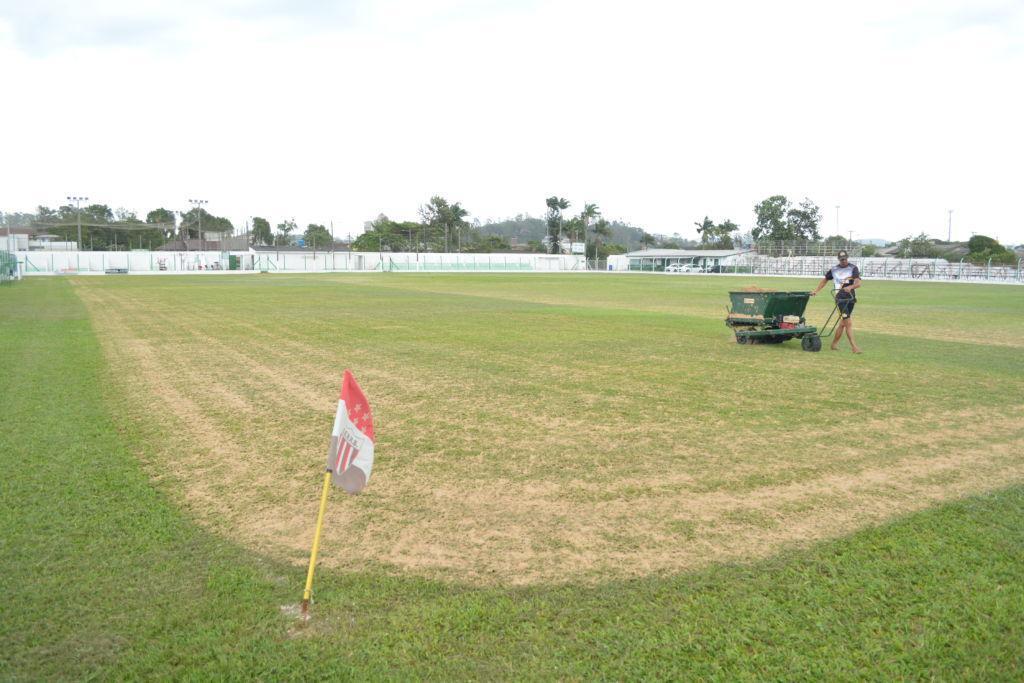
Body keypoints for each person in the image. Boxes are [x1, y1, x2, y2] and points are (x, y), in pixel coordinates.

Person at [811, 250, 862, 353]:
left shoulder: (853, 268)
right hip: (840, 298)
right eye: (841, 259)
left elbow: (858, 283)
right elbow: (825, 280)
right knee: (848, 323)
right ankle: (854, 347)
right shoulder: (834, 269)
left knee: (843, 323)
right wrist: (816, 291)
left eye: (845, 259)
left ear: (847, 258)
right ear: (839, 260)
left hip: (851, 298)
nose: (843, 261)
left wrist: (851, 287)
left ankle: (834, 345)